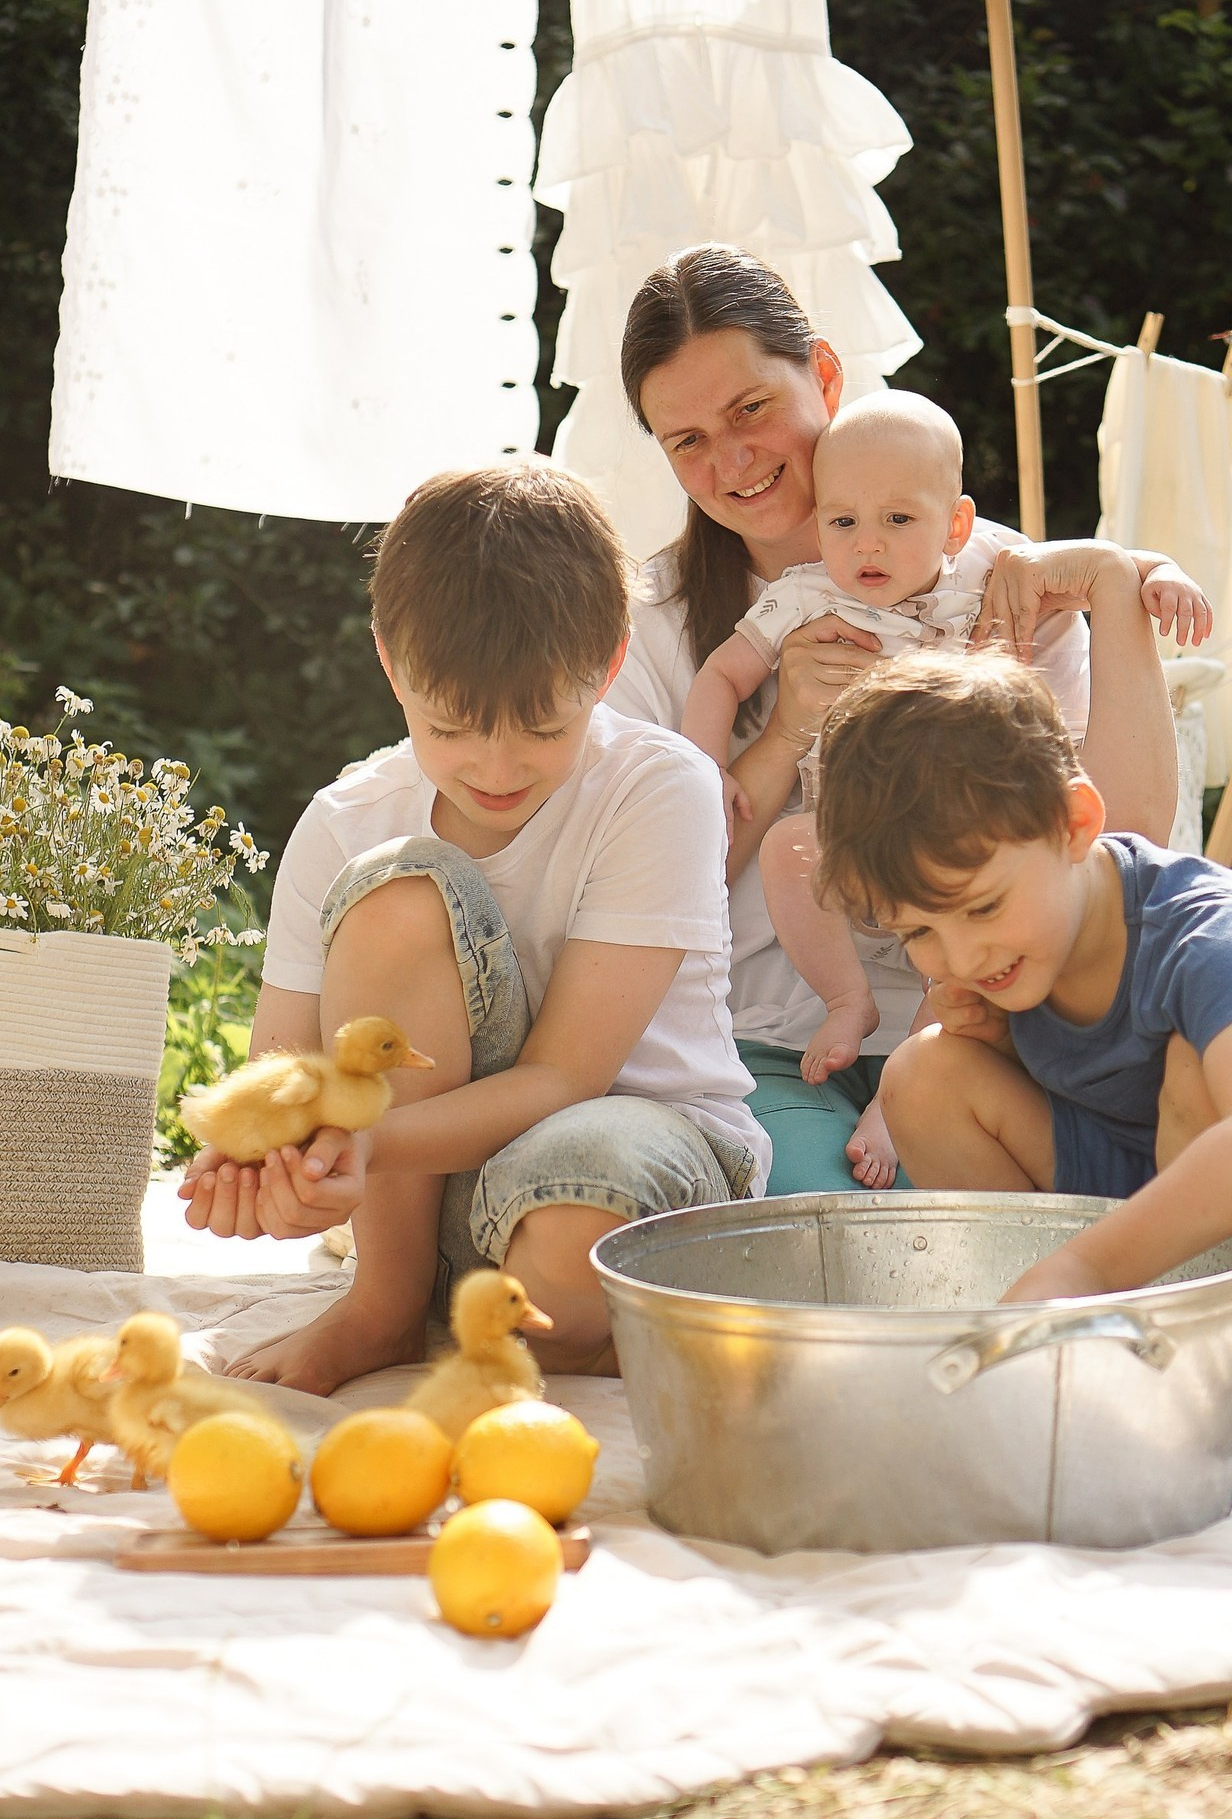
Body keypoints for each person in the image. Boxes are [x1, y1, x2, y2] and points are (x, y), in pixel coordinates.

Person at [610, 241, 1210, 1196]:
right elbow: (660, 887)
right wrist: (786, 731)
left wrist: (1106, 586)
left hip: (994, 1018)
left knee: (979, 1235)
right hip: (775, 1041)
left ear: (825, 375)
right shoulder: (653, 623)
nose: (731, 461)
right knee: (839, 1248)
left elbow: (1116, 827)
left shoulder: (995, 579)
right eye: (687, 440)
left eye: (751, 409)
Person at [177, 461, 769, 1397]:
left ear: (610, 663)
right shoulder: (346, 821)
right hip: (418, 1206)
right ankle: (387, 1306)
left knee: (571, 1254)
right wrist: (271, 1165)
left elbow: (566, 1077)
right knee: (399, 893)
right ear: (390, 663)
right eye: (451, 727)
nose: (495, 765)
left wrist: (361, 1145)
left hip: (626, 1157)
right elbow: (286, 1076)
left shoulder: (659, 788)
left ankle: (548, 1319)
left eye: (541, 726)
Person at [812, 644, 1232, 1304]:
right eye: (920, 932)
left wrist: (1087, 1268)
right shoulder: (1014, 950)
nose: (963, 959)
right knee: (924, 1075)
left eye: (983, 907)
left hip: (1208, 1221)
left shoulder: (1204, 937)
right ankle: (1024, 1316)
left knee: (1191, 1067)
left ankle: (1176, 1317)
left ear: (1074, 825)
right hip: (1107, 1184)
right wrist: (1003, 1044)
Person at [681, 392, 981, 1187]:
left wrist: (1142, 574)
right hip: (839, 839)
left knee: (957, 961)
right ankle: (847, 999)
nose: (867, 544)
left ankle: (898, 1095)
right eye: (843, 521)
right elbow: (722, 673)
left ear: (955, 527)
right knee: (785, 845)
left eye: (897, 521)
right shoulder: (808, 596)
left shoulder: (970, 603)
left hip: (940, 844)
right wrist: (706, 766)